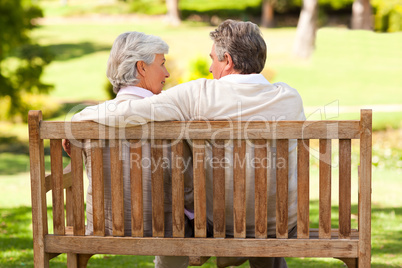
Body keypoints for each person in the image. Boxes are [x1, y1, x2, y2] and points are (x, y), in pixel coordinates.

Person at [73, 20, 305, 268]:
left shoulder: (198, 94)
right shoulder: (289, 98)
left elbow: (128, 111)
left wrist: (78, 118)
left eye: (213, 59)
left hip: (221, 224)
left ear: (227, 60)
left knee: (199, 206)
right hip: (281, 223)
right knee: (261, 204)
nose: (210, 67)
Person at [64, 31, 194, 268]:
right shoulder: (171, 114)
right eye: (162, 64)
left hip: (104, 225)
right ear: (142, 67)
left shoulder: (91, 120)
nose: (166, 73)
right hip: (166, 226)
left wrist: (75, 121)